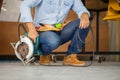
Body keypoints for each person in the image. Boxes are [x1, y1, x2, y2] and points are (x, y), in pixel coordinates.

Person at [20, 0, 90, 66]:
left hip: (59, 29)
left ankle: (71, 56)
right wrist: (32, 29)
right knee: (53, 41)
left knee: (84, 23)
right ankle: (44, 54)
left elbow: (81, 9)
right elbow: (24, 5)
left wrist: (84, 16)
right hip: (42, 31)